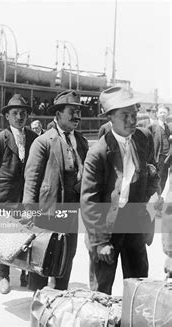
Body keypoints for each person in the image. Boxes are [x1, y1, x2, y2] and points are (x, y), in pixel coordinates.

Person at [81, 86, 160, 295]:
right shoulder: (98, 153)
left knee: (139, 286)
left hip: (133, 223)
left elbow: (152, 174)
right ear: (110, 119)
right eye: (125, 115)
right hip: (106, 228)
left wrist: (152, 197)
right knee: (101, 289)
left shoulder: (143, 139)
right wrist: (100, 242)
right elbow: (89, 201)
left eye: (134, 114)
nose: (132, 121)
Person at [24, 90, 89, 293]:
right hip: (47, 211)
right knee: (42, 257)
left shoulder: (82, 141)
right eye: (72, 111)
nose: (77, 116)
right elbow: (32, 180)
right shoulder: (43, 142)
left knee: (66, 256)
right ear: (58, 114)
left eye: (79, 111)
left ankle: (58, 303)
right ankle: (38, 303)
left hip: (71, 212)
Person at [0, 94, 38, 294]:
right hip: (4, 194)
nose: (19, 117)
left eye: (23, 113)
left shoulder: (34, 138)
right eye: (15, 113)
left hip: (26, 194)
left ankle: (26, 274)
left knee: (27, 234)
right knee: (5, 235)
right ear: (7, 116)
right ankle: (3, 276)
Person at [149, 104, 171, 191]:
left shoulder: (167, 127)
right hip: (157, 158)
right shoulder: (152, 126)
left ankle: (159, 198)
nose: (163, 114)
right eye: (161, 112)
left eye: (165, 113)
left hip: (167, 158)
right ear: (157, 114)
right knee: (155, 180)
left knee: (164, 179)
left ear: (168, 115)